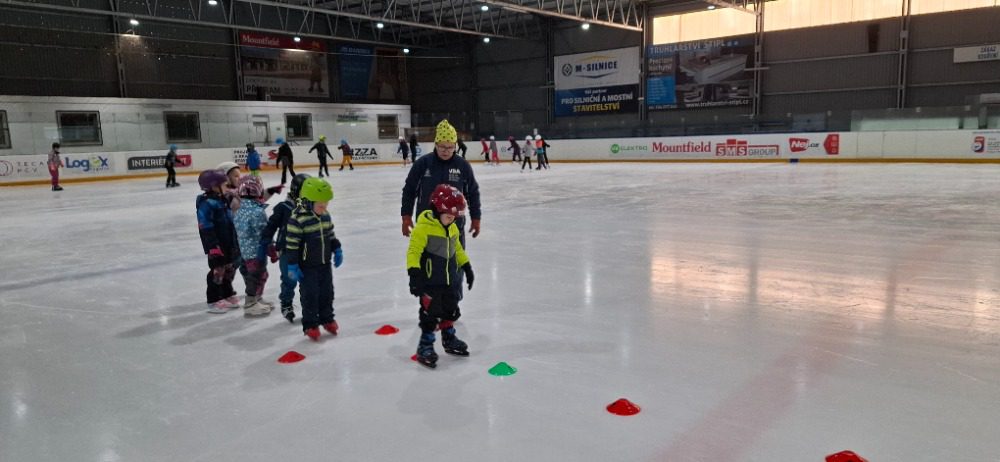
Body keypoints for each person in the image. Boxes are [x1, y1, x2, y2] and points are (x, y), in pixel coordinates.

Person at [406, 184, 475, 369]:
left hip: (449, 280)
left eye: (454, 218)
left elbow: (458, 249)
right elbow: (413, 252)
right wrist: (414, 275)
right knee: (430, 315)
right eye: (448, 217)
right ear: (437, 210)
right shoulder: (423, 229)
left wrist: (467, 266)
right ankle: (425, 346)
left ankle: (449, 338)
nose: (451, 220)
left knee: (450, 309)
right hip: (431, 282)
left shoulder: (452, 228)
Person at [401, 119, 481, 250]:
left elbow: (472, 193)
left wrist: (476, 218)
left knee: (455, 262)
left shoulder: (462, 165)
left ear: (455, 145)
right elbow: (409, 191)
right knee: (426, 262)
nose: (446, 151)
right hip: (427, 227)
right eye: (442, 146)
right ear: (436, 144)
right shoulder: (423, 164)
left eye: (450, 147)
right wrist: (406, 216)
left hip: (454, 228)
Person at [285, 177, 343, 341]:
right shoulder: (298, 219)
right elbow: (291, 244)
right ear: (308, 201)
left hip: (324, 264)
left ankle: (327, 319)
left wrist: (337, 248)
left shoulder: (325, 216)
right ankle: (310, 324)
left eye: (326, 203)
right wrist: (292, 265)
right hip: (307, 266)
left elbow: (330, 235)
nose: (324, 207)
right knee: (310, 295)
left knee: (327, 293)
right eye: (320, 204)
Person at [261, 173, 310, 323]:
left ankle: (308, 306)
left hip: (306, 251)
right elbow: (271, 226)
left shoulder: (311, 208)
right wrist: (266, 242)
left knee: (307, 280)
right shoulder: (284, 207)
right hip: (287, 251)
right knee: (289, 280)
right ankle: (286, 304)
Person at [197, 170, 242, 313]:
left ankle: (227, 293)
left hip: (228, 240)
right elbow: (205, 227)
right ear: (213, 186)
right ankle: (214, 299)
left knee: (229, 268)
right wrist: (212, 246)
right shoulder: (206, 204)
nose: (226, 186)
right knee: (218, 271)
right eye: (223, 184)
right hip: (216, 244)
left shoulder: (222, 199)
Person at [233, 175, 274, 317]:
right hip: (256, 252)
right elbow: (264, 234)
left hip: (245, 250)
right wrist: (272, 250)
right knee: (257, 276)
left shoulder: (240, 209)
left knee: (258, 275)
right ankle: (250, 303)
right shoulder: (257, 212)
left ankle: (256, 299)